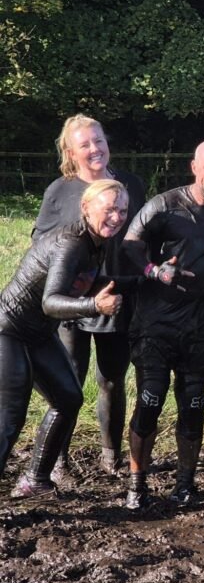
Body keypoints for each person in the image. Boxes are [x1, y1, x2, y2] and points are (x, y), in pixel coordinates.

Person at [120, 139, 204, 508]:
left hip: (200, 327)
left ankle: (185, 484)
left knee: (194, 407)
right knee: (150, 401)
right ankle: (136, 484)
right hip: (155, 325)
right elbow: (129, 243)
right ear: (194, 167)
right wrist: (154, 271)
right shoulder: (165, 205)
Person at [33, 115, 146, 477]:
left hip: (117, 298)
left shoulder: (130, 184)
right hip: (74, 303)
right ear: (71, 151)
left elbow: (144, 238)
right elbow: (41, 243)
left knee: (112, 379)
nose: (95, 149)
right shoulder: (59, 191)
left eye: (98, 140)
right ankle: (58, 460)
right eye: (85, 144)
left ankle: (111, 455)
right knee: (69, 381)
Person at [2, 179, 127, 497]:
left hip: (38, 334)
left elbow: (94, 279)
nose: (117, 216)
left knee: (68, 398)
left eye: (123, 210)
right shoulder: (72, 242)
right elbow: (51, 301)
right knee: (10, 415)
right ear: (86, 207)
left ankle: (36, 480)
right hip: (10, 330)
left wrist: (152, 279)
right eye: (109, 208)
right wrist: (94, 305)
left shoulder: (97, 240)